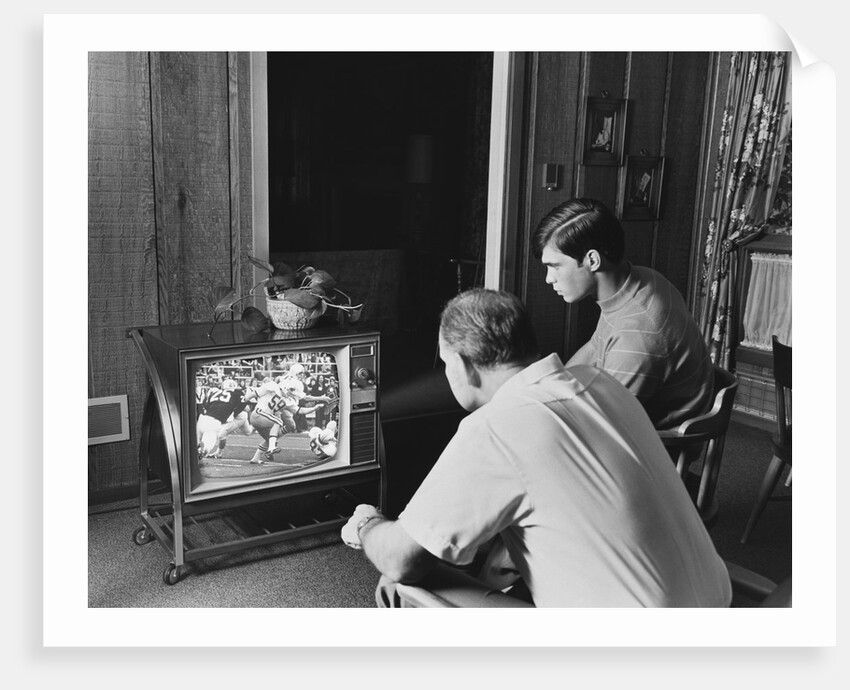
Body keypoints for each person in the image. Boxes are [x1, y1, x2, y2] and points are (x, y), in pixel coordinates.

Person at [341, 289, 731, 608]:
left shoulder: (494, 428)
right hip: (716, 610)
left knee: (403, 582)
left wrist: (366, 522)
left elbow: (400, 558)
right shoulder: (599, 381)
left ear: (464, 364)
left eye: (445, 363)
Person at [533, 197, 713, 431]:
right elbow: (595, 347)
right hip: (631, 418)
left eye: (555, 266)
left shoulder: (637, 334)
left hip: (656, 446)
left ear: (592, 260)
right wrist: (553, 389)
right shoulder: (640, 279)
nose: (549, 278)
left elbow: (604, 427)